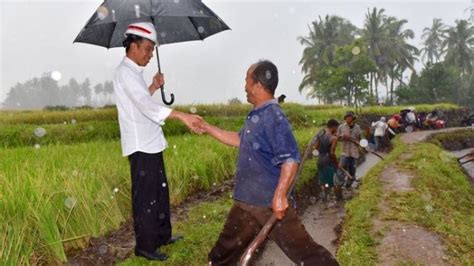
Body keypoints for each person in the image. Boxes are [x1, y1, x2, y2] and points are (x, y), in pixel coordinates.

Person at [201, 60, 338, 265]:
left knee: (306, 254)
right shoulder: (257, 114)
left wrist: (280, 195)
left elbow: (290, 159)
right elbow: (239, 140)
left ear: (257, 85)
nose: (244, 86)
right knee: (223, 255)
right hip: (245, 203)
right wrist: (207, 127)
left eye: (246, 80)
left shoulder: (273, 116)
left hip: (267, 203)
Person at [113, 22, 203, 261]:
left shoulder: (134, 74)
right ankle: (144, 245)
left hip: (152, 141)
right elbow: (145, 106)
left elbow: (142, 99)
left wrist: (152, 86)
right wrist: (182, 116)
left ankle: (163, 235)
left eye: (152, 50)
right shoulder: (124, 73)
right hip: (141, 145)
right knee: (146, 197)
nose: (150, 55)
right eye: (147, 49)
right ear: (133, 46)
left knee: (160, 192)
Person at [312, 119, 342, 203]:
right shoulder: (333, 138)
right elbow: (332, 153)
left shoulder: (320, 135)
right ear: (333, 127)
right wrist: (336, 162)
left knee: (323, 180)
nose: (337, 130)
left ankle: (324, 198)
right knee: (335, 180)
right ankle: (339, 199)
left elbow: (315, 148)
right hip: (329, 162)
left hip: (320, 160)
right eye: (336, 128)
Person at [337, 111, 362, 187]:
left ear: (352, 118)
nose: (347, 118)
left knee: (352, 169)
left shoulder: (357, 127)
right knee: (341, 168)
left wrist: (357, 142)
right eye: (346, 117)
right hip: (344, 151)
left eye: (349, 117)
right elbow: (337, 138)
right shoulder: (341, 127)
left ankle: (349, 184)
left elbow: (359, 139)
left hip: (354, 152)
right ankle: (339, 184)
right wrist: (342, 137)